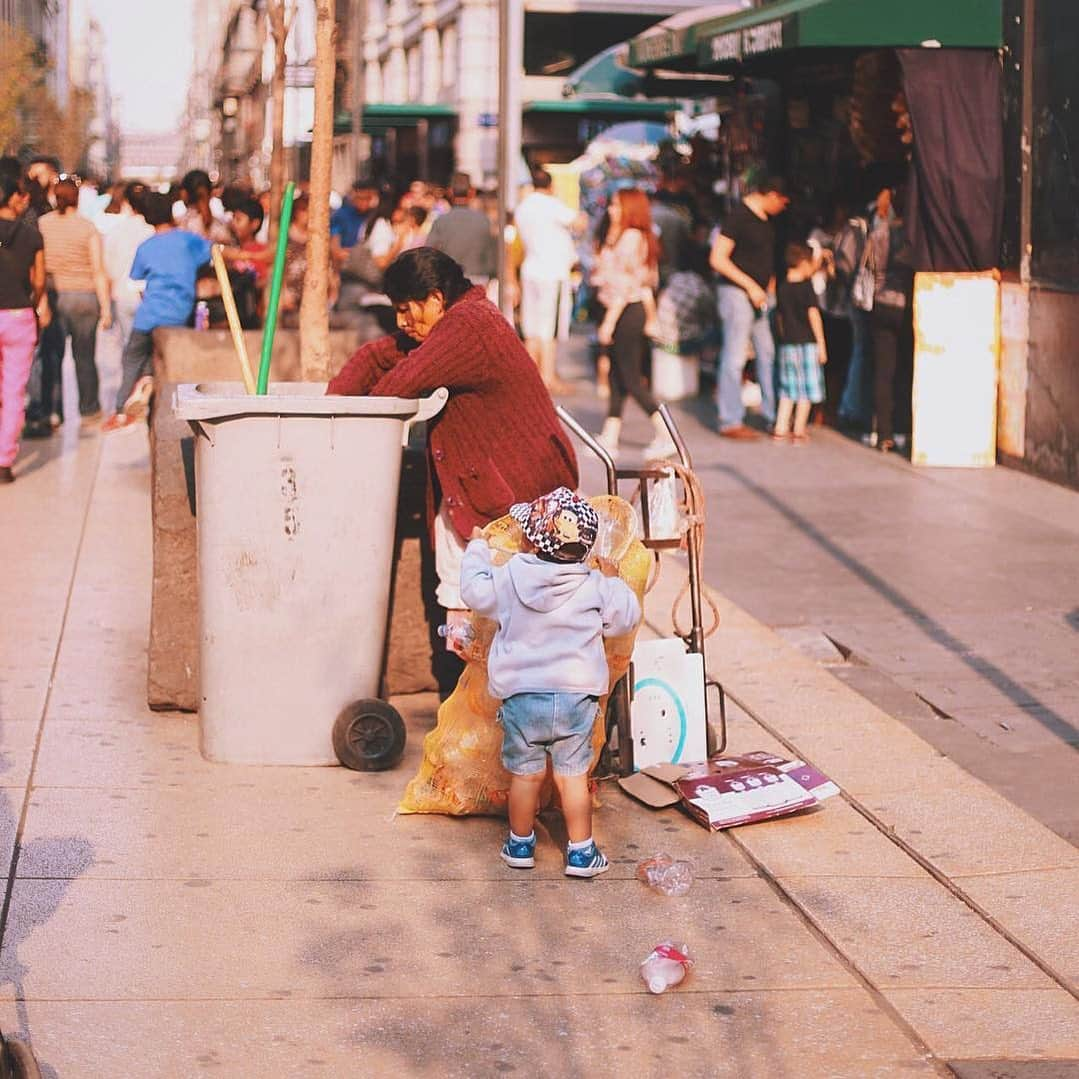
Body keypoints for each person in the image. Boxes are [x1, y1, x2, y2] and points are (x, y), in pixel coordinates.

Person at [326, 247, 579, 695]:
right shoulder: (459, 321)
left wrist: (338, 431)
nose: (403, 322)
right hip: (489, 488)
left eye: (408, 310)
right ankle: (473, 707)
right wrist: (328, 412)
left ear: (436, 299)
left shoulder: (468, 327)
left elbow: (396, 389)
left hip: (513, 492)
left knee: (493, 616)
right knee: (475, 618)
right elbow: (378, 357)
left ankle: (489, 711)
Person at [460, 487, 640, 877]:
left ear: (528, 539)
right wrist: (613, 581)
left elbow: (474, 591)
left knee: (526, 775)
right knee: (572, 776)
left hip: (523, 697)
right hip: (576, 697)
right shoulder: (593, 584)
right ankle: (581, 852)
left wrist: (476, 549)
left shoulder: (509, 579)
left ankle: (521, 844)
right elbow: (624, 620)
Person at [102, 193, 211, 433]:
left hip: (148, 315)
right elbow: (212, 255)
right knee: (168, 363)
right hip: (179, 315)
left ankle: (121, 409)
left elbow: (136, 283)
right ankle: (152, 387)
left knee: (132, 359)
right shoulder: (188, 240)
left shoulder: (146, 246)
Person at [591, 188, 674, 460]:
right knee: (618, 377)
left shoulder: (630, 238)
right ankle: (610, 436)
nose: (612, 210)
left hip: (625, 312)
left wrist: (609, 324)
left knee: (630, 378)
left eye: (616, 205)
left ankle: (667, 435)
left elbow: (625, 286)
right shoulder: (630, 236)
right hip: (626, 310)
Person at [709, 173, 790, 440]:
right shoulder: (738, 217)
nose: (782, 209)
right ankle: (730, 419)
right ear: (771, 195)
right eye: (782, 202)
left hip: (761, 296)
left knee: (767, 354)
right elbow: (718, 259)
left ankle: (772, 415)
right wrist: (750, 286)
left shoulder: (768, 222)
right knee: (735, 356)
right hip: (737, 294)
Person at [37, 177, 112, 424]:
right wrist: (106, 308)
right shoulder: (87, 227)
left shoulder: (42, 224)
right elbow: (98, 269)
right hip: (85, 298)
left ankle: (52, 410)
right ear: (77, 198)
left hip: (53, 295)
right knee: (85, 357)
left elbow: (37, 266)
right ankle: (89, 409)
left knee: (52, 357)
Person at [513, 169, 583, 392]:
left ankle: (531, 372)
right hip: (552, 272)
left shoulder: (523, 207)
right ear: (551, 185)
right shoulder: (551, 205)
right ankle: (547, 376)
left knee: (532, 326)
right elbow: (579, 222)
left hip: (530, 269)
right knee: (549, 328)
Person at [0, 168, 45, 484]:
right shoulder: (31, 235)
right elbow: (39, 281)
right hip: (18, 317)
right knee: (14, 392)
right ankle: (3, 461)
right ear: (13, 198)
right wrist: (31, 298)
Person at [867, 185, 914, 454]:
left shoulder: (881, 230)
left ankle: (884, 433)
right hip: (907, 303)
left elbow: (872, 266)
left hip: (882, 303)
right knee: (907, 368)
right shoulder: (914, 234)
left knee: (883, 370)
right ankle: (905, 427)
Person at [772, 243, 827, 443]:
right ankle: (798, 429)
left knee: (788, 388)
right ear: (803, 262)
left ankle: (780, 426)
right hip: (807, 343)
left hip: (788, 344)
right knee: (806, 389)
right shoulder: (806, 287)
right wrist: (821, 343)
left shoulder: (782, 287)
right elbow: (813, 315)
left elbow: (779, 317)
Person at [425, 172, 497, 286]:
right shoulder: (484, 221)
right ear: (471, 192)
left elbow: (429, 251)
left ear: (450, 192)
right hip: (479, 279)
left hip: (451, 280)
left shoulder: (441, 221)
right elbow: (492, 254)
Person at [330, 179, 379, 255]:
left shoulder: (375, 216)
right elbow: (335, 248)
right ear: (353, 197)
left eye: (367, 198)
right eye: (360, 198)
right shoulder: (340, 216)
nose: (364, 202)